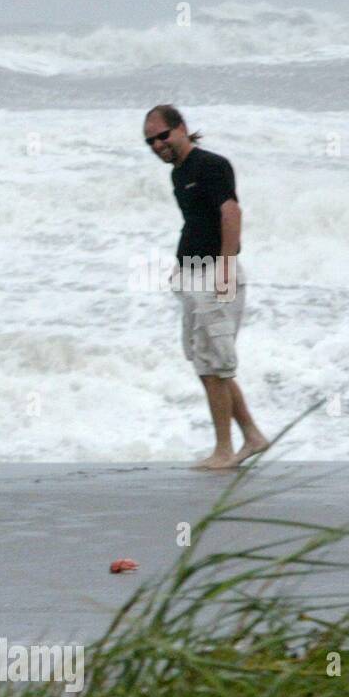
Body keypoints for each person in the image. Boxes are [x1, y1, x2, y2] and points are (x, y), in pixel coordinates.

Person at [143, 104, 268, 469]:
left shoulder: (211, 165)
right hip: (195, 274)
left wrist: (226, 266)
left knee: (216, 365)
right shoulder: (178, 174)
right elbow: (196, 223)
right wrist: (181, 268)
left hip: (217, 272)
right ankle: (252, 436)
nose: (158, 145)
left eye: (163, 136)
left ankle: (224, 451)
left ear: (181, 128)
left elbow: (231, 212)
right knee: (204, 361)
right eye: (150, 141)